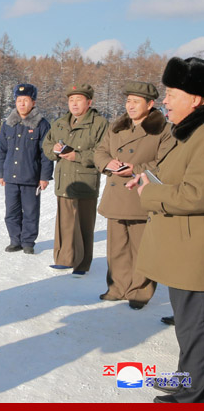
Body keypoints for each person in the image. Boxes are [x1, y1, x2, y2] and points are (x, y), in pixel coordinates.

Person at [126, 57, 204, 403]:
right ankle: (189, 379)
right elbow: (178, 175)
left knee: (196, 328)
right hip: (183, 250)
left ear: (196, 98)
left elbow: (197, 193)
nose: (166, 100)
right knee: (189, 328)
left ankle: (193, 395)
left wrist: (150, 194)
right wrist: (148, 177)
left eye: (173, 93)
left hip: (194, 255)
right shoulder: (188, 131)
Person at [94, 81, 175, 310]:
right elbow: (100, 151)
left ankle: (140, 291)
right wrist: (107, 163)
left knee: (142, 248)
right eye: (128, 101)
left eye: (136, 102)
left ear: (150, 104)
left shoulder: (164, 130)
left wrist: (135, 169)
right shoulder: (116, 127)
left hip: (141, 193)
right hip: (116, 194)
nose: (130, 106)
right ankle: (117, 287)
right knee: (117, 246)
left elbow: (166, 164)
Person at [43, 83, 108, 276]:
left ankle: (82, 264)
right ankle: (64, 259)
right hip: (65, 180)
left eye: (78, 99)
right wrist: (54, 150)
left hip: (86, 181)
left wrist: (77, 156)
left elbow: (104, 152)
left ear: (89, 102)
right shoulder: (60, 123)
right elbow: (46, 145)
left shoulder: (99, 124)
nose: (74, 103)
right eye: (71, 100)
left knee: (84, 224)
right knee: (64, 223)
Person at [0, 83, 53, 254]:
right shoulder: (8, 124)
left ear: (33, 102)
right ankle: (15, 240)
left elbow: (46, 153)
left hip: (31, 178)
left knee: (30, 212)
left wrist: (44, 177)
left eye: (26, 100)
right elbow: (1, 151)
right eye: (19, 100)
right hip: (11, 178)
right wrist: (1, 173)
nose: (22, 104)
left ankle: (28, 242)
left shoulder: (42, 125)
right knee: (11, 212)